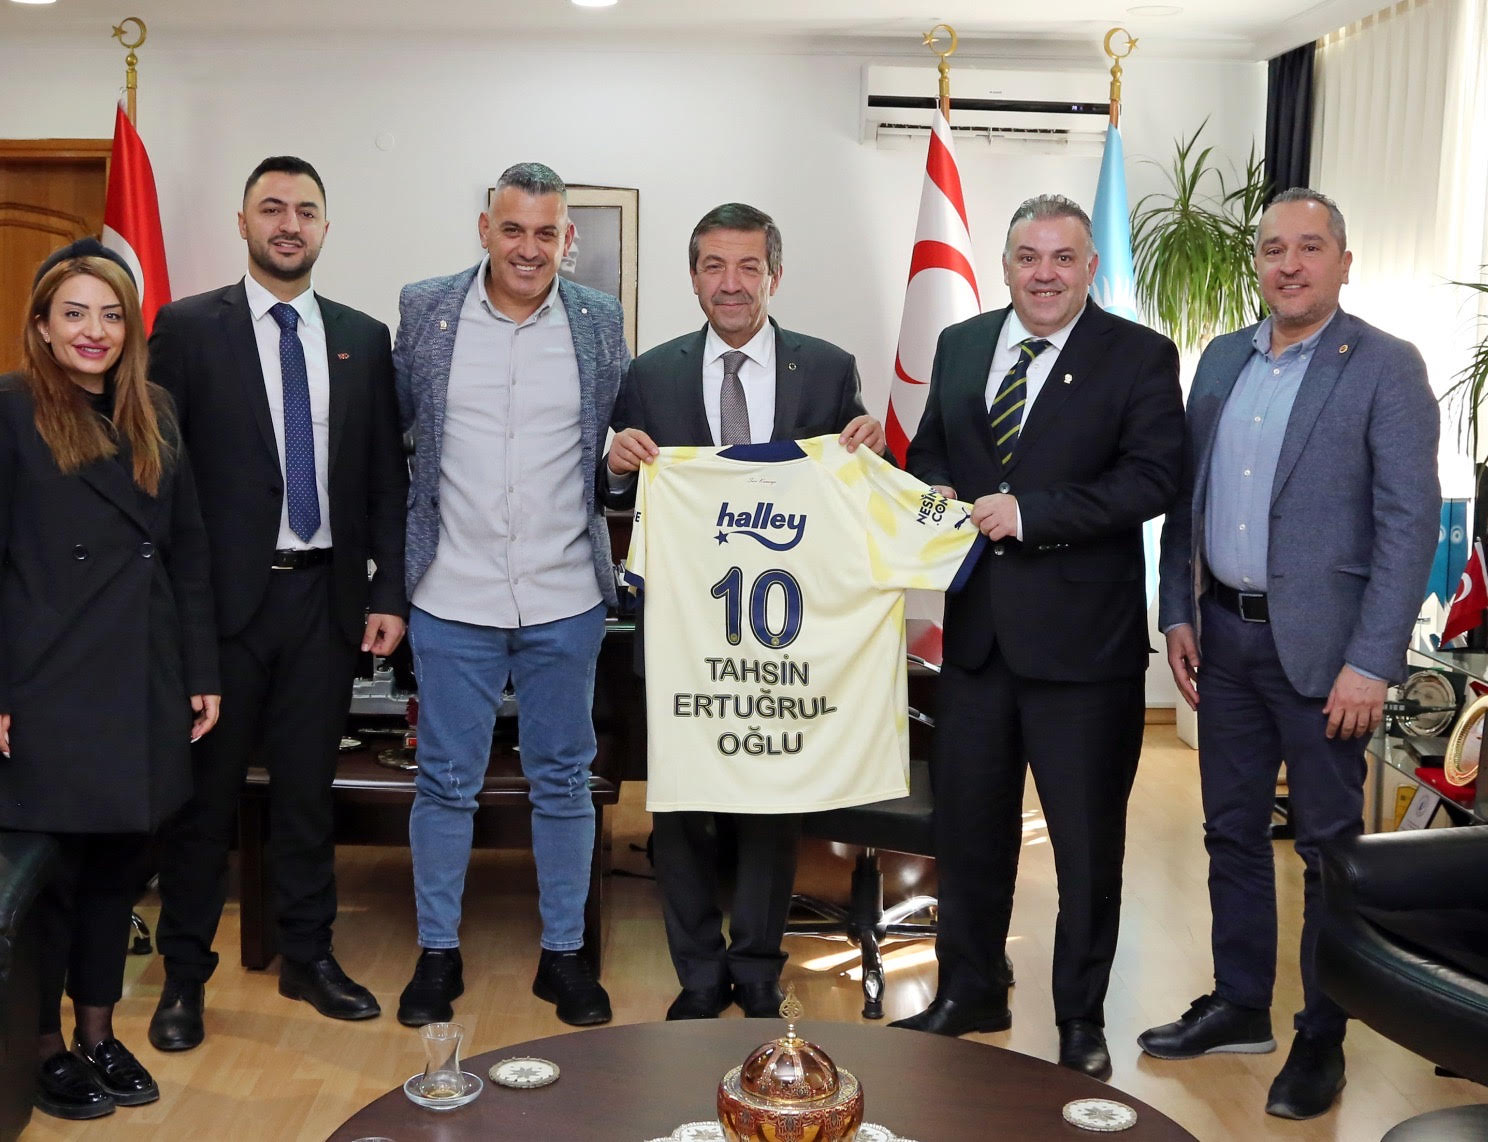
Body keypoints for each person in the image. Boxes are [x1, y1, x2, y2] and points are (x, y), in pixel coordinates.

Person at [1141, 188, 1440, 1120]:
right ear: (1258, 263)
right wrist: (1177, 610)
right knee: (1229, 832)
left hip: (1328, 658)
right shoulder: (1222, 359)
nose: (1290, 264)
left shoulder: (1385, 366)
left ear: (1344, 262)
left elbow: (1408, 525)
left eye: (1310, 248)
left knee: (1327, 852)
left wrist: (1373, 662)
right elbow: (1186, 499)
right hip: (1222, 639)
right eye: (1274, 249)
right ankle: (1239, 1006)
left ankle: (1321, 1036)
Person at [892, 194, 1184, 1081]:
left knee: (1086, 848)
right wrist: (937, 491)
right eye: (1028, 257)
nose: (1045, 274)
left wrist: (1031, 514)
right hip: (976, 646)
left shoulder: (1138, 355)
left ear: (1090, 267)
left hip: (1084, 653)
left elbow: (1153, 479)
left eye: (1063, 258)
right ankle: (970, 990)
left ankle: (1080, 1017)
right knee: (969, 835)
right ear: (1006, 265)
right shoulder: (961, 344)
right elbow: (930, 451)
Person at [0, 240, 220, 1120]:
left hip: (142, 675)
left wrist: (200, 669)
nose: (94, 331)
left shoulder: (156, 410)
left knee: (117, 872)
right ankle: (43, 1047)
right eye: (74, 314)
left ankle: (99, 1033)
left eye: (110, 314)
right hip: (44, 682)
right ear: (42, 326)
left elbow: (186, 552)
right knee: (53, 883)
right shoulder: (8, 409)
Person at [147, 156, 408, 1049]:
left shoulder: (363, 337)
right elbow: (160, 478)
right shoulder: (187, 329)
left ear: (325, 227)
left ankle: (308, 957)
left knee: (306, 797)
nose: (288, 223)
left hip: (324, 603)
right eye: (271, 208)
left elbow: (385, 478)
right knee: (203, 807)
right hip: (219, 611)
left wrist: (387, 588)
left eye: (304, 210)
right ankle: (184, 979)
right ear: (243, 223)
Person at [606, 202, 885, 1021]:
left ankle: (759, 967)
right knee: (681, 806)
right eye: (714, 267)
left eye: (748, 267)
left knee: (772, 802)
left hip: (783, 632)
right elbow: (614, 499)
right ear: (693, 277)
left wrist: (870, 455)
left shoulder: (826, 370)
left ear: (775, 275)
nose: (731, 284)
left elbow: (853, 501)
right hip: (683, 629)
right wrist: (616, 466)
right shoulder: (650, 374)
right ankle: (698, 972)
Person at [392, 162, 629, 1028]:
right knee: (445, 782)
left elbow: (611, 447)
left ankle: (563, 956)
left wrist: (620, 471)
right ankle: (437, 954)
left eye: (546, 232)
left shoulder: (599, 319)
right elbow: (398, 435)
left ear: (567, 239)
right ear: (485, 229)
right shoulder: (426, 308)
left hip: (565, 593)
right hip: (452, 591)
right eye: (513, 229)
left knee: (563, 781)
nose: (529, 248)